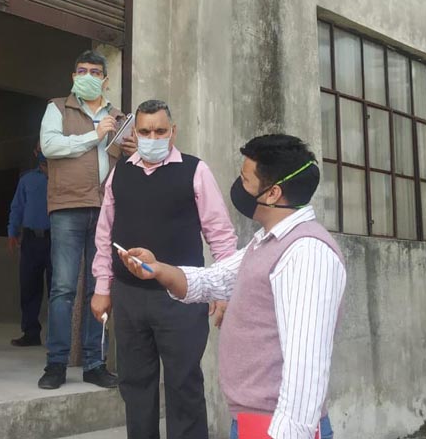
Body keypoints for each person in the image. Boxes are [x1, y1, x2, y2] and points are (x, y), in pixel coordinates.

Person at [120, 134, 346, 439]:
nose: (239, 186)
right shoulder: (266, 242)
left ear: (273, 193)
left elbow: (305, 369)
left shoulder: (307, 253)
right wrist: (159, 270)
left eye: (246, 179)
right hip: (252, 422)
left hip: (278, 428)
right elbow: (214, 280)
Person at [91, 99, 237, 439]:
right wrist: (102, 287)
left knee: (184, 385)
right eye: (145, 132)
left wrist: (224, 289)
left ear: (173, 132)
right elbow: (104, 233)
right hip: (129, 298)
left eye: (160, 131)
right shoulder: (120, 173)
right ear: (135, 132)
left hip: (182, 299)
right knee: (135, 386)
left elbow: (220, 234)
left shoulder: (195, 170)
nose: (153, 138)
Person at [37, 50, 135, 390]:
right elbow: (50, 146)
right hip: (67, 205)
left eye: (95, 72)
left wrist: (132, 149)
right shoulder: (57, 108)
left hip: (107, 209)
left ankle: (95, 363)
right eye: (82, 71)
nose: (88, 76)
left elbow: (130, 163)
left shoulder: (119, 117)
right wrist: (95, 135)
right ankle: (56, 364)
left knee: (100, 287)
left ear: (105, 80)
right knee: (63, 288)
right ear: (73, 77)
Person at [7, 145, 52, 347]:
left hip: (56, 239)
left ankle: (58, 337)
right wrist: (12, 232)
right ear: (35, 152)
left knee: (58, 289)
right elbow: (17, 207)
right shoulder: (27, 179)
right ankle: (31, 333)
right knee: (29, 287)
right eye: (39, 148)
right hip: (31, 239)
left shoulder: (63, 177)